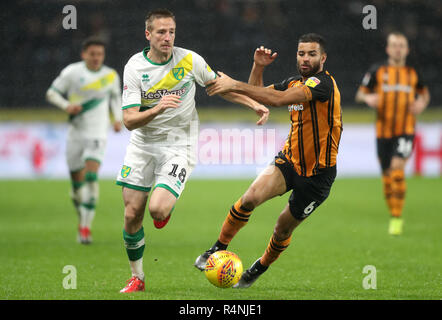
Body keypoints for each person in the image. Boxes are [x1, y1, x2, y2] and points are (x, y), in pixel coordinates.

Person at [116, 8, 269, 293]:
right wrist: (160, 106)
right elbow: (128, 120)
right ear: (148, 34)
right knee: (131, 214)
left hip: (179, 145)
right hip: (142, 145)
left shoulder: (189, 60)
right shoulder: (135, 67)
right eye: (161, 32)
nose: (167, 37)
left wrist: (254, 104)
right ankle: (137, 278)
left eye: (171, 32)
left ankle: (164, 207)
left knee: (157, 210)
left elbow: (220, 87)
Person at [194, 33, 343, 288]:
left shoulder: (323, 84)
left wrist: (233, 84)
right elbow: (262, 95)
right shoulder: (294, 81)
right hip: (289, 161)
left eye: (311, 54)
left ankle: (257, 268)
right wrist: (258, 67)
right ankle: (216, 249)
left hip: (317, 175)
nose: (305, 58)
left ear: (323, 58)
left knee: (282, 229)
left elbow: (278, 100)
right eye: (301, 53)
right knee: (250, 198)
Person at [46, 37, 123, 244]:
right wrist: (66, 106)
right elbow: (52, 93)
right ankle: (82, 219)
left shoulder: (110, 76)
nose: (97, 58)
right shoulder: (73, 72)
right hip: (75, 134)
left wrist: (117, 119)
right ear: (84, 54)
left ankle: (86, 228)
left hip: (98, 133)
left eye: (100, 54)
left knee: (91, 176)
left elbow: (115, 99)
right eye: (93, 54)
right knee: (77, 188)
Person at [355, 31, 430, 235]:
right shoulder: (377, 71)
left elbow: (424, 94)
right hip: (383, 131)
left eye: (401, 45)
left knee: (397, 170)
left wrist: (421, 103)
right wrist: (368, 99)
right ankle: (393, 212)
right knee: (387, 177)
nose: (398, 48)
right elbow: (360, 93)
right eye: (394, 45)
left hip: (406, 130)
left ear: (407, 49)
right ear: (388, 49)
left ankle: (397, 218)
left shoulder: (413, 73)